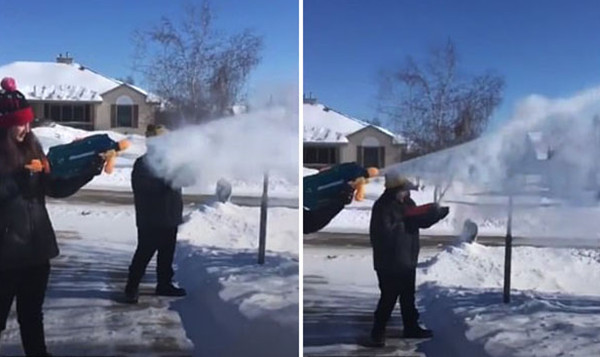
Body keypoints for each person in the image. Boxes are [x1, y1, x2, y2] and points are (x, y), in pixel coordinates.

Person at [0, 77, 104, 356]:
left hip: (36, 252)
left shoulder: (34, 149)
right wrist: (17, 180)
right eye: (18, 124)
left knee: (32, 316)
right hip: (5, 256)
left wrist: (87, 170)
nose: (25, 128)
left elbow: (55, 187)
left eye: (28, 122)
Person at [367, 172, 450, 347]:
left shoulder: (407, 203)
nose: (407, 193)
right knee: (389, 297)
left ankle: (411, 327)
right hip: (389, 262)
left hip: (407, 259)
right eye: (404, 190)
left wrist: (434, 215)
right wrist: (406, 221)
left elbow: (418, 221)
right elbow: (382, 233)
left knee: (407, 296)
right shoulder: (383, 206)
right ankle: (378, 331)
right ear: (396, 190)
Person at [124, 124, 188, 303]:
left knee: (167, 255)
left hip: (170, 217)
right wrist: (167, 181)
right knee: (144, 253)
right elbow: (144, 187)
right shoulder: (143, 164)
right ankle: (132, 287)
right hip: (150, 219)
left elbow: (187, 179)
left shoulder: (172, 161)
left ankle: (164, 284)